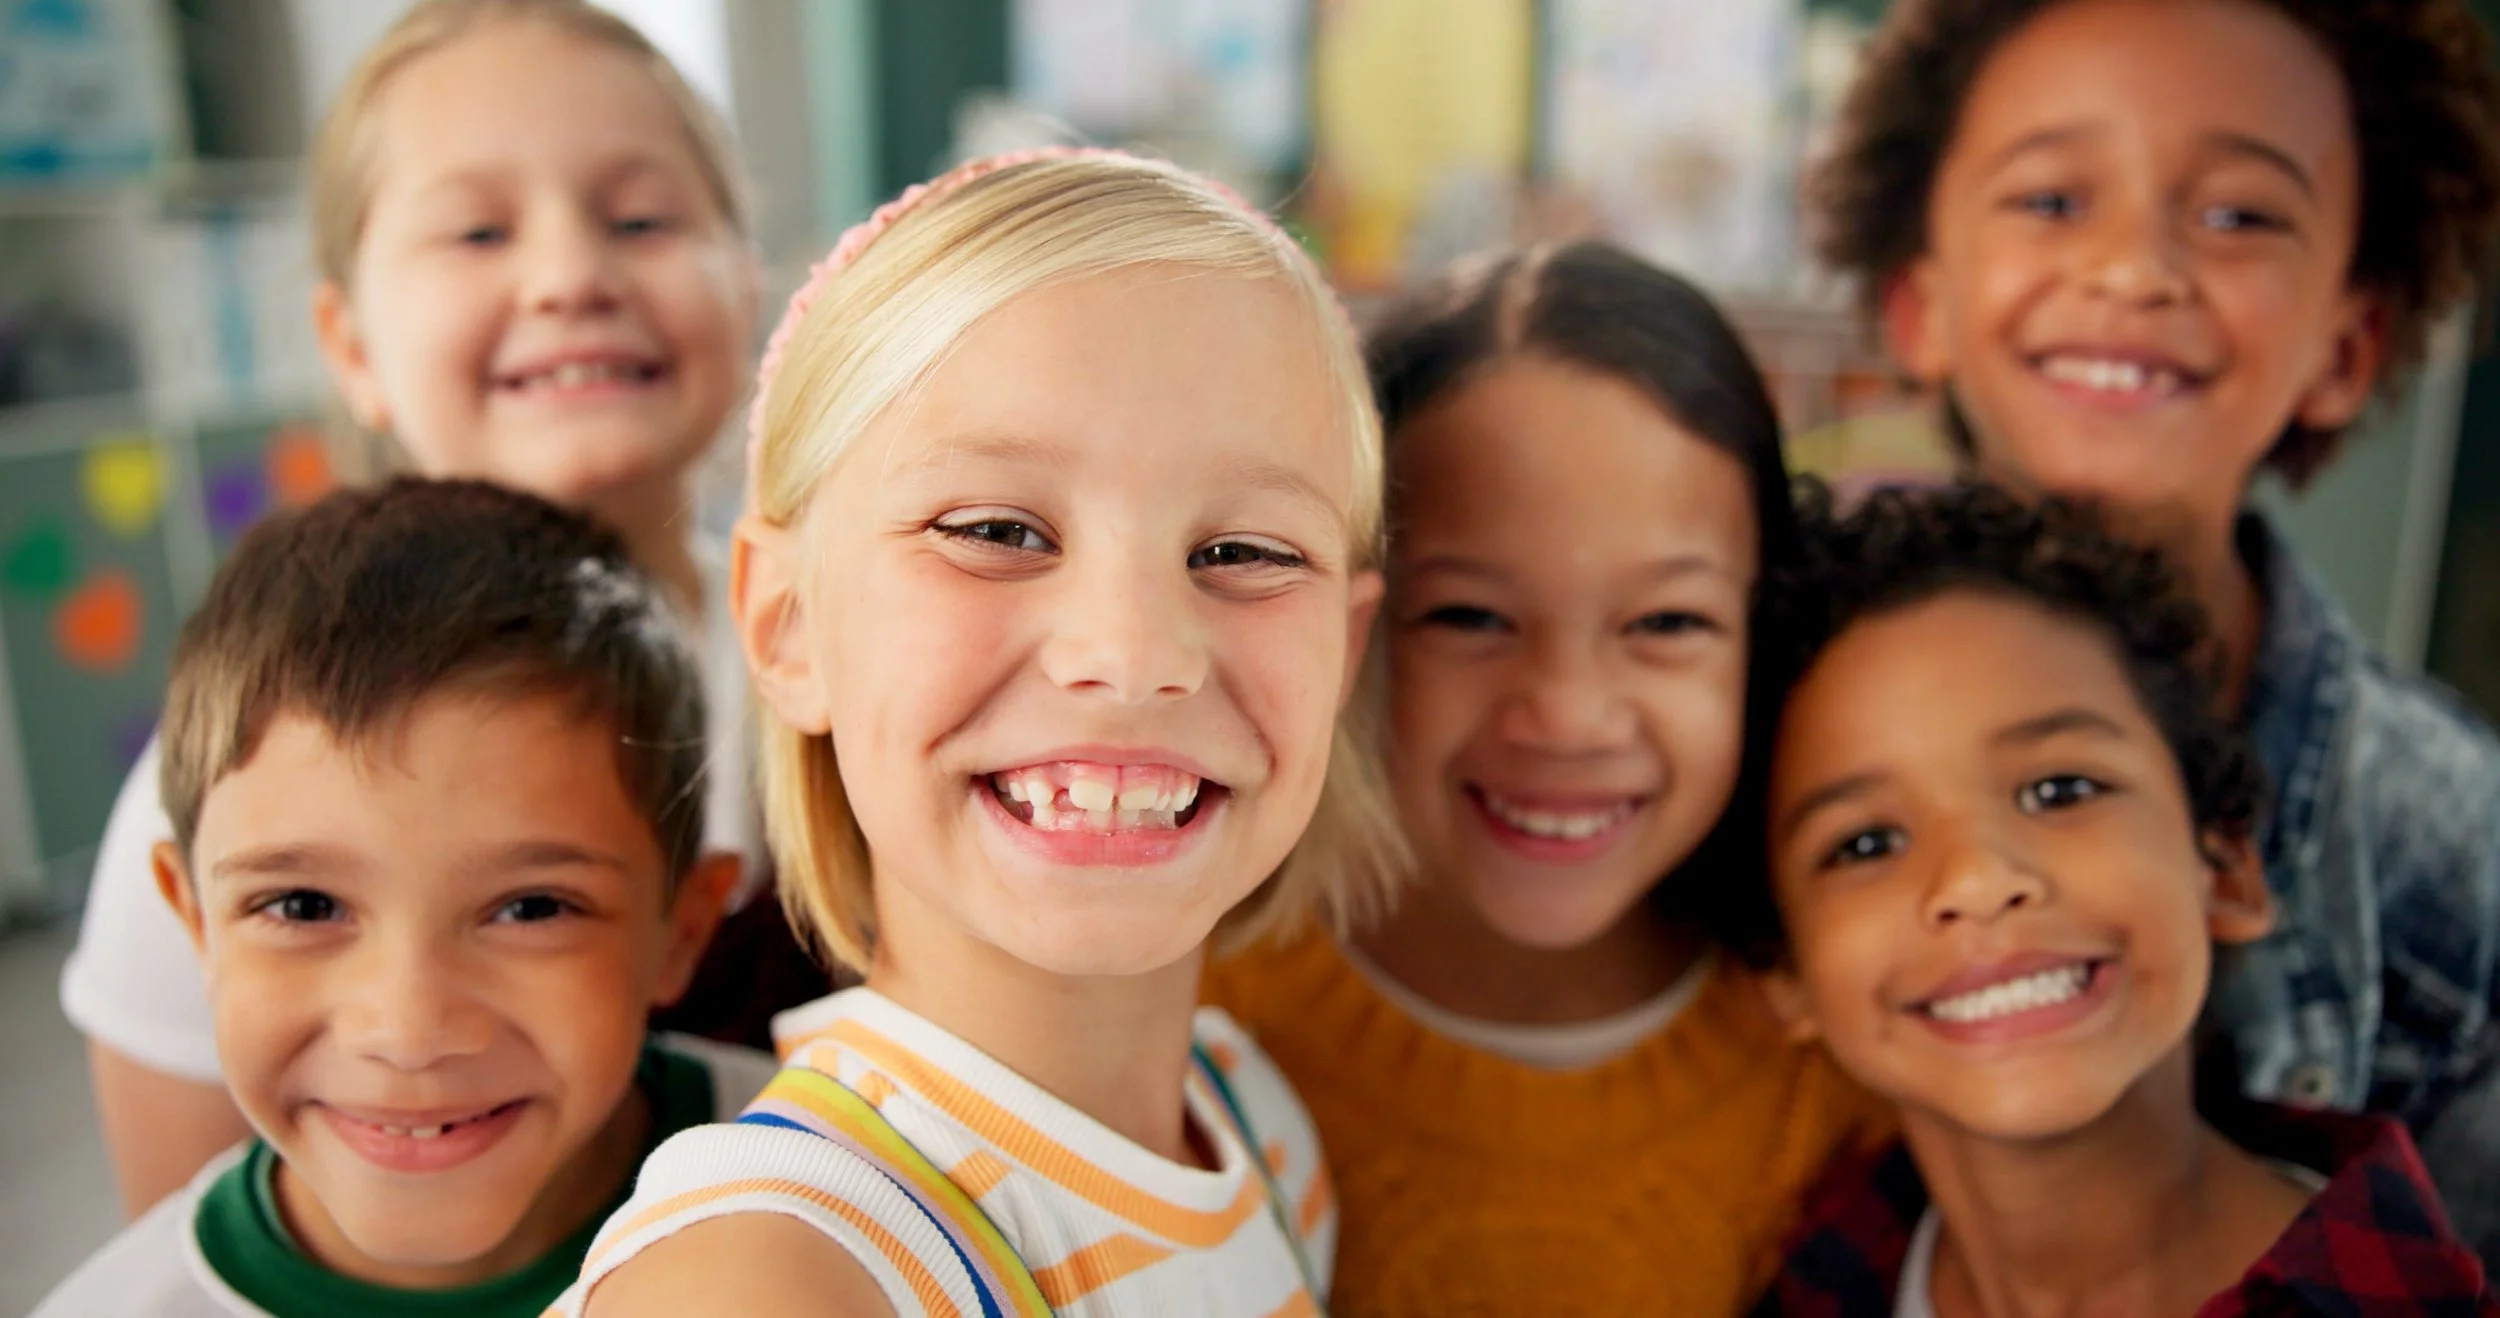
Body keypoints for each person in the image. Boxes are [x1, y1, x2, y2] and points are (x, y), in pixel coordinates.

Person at [556, 148, 1405, 1318]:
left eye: (1246, 553)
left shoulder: (1261, 1131)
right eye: (997, 529)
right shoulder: (778, 1275)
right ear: (789, 623)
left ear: (1344, 652)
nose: (1131, 651)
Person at [59, 0, 792, 1217]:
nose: (569, 275)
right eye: (476, 230)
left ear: (747, 280)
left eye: (641, 218)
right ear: (349, 343)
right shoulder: (251, 755)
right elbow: (192, 1249)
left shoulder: (863, 665)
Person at [1809, 0, 2500, 1251]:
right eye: (2052, 201)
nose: (2132, 268)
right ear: (1921, 305)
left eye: (2238, 214)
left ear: (2346, 344)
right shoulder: (1762, 707)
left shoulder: (2461, 855)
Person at [1203, 242, 1892, 1314]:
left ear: (1767, 634)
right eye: (1470, 616)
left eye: (1668, 622)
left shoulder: (1856, 1056)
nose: (1567, 713)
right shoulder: (1186, 1020)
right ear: (1342, 627)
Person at [35, 478, 776, 1318]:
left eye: (531, 907)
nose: (410, 1031)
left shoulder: (846, 1184)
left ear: (683, 927)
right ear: (195, 924)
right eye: (304, 906)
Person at [1750, 481, 2493, 1314]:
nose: (1979, 880)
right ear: (1788, 974)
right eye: (1865, 844)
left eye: (2060, 789)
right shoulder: (1811, 1281)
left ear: (2226, 870)